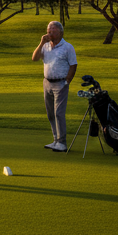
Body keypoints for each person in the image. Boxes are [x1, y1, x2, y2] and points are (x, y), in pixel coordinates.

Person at [31, 20, 78, 152]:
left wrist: (67, 82)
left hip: (61, 83)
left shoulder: (68, 47)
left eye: (53, 31)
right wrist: (41, 42)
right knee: (50, 113)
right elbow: (34, 58)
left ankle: (62, 143)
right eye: (48, 31)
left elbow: (73, 65)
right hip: (47, 83)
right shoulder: (45, 46)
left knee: (59, 113)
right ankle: (56, 140)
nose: (50, 33)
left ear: (60, 32)